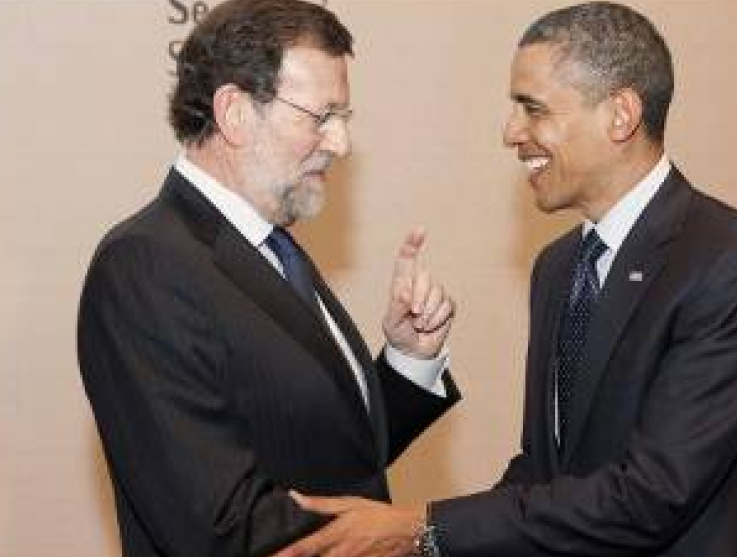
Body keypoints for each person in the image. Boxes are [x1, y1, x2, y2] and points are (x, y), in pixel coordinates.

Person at [281, 2, 737, 557]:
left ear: (621, 115)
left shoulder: (729, 263)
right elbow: (544, 472)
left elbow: (654, 496)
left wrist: (421, 529)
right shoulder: (559, 266)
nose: (511, 132)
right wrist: (419, 537)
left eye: (532, 108)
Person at [75, 1, 460, 556]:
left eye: (344, 118)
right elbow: (219, 525)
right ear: (234, 112)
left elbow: (335, 458)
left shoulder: (271, 247)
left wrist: (408, 359)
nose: (341, 143)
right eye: (321, 116)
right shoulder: (144, 266)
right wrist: (410, 534)